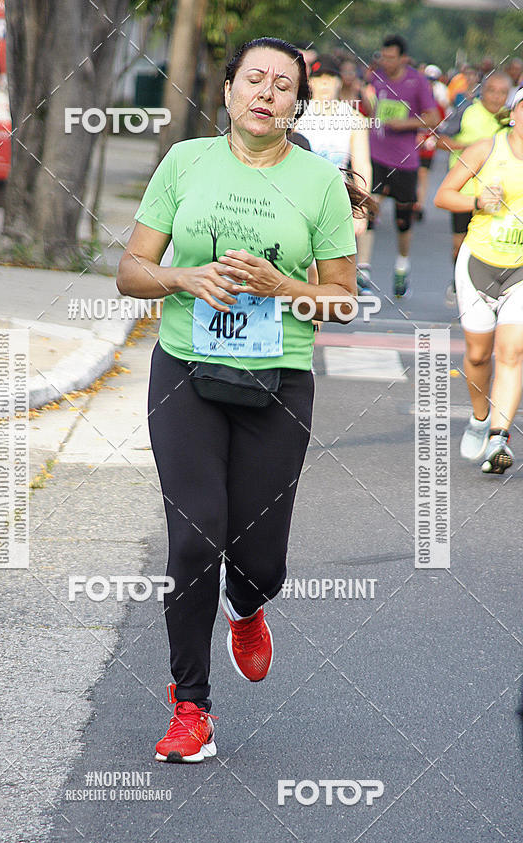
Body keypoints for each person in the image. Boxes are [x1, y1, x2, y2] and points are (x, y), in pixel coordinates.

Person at [116, 36, 359, 762]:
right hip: (186, 372)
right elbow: (131, 271)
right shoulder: (185, 162)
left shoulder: (319, 183)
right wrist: (184, 279)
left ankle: (248, 606)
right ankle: (192, 707)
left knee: (260, 562)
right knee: (194, 540)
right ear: (227, 91)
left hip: (277, 383)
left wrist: (284, 287)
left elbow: (344, 300)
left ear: (296, 106)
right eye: (254, 79)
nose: (266, 93)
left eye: (283, 86)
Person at [434, 86, 523, 474]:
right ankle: (479, 416)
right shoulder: (485, 149)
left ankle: (498, 439)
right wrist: (478, 201)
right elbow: (443, 196)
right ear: (513, 114)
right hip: (478, 264)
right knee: (477, 355)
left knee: (512, 352)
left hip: (520, 270)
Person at [364, 35, 439, 299]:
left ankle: (401, 266)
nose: (386, 62)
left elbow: (433, 118)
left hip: (404, 162)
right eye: (383, 56)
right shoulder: (376, 77)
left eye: (391, 57)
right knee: (367, 212)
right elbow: (369, 108)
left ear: (404, 58)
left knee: (402, 221)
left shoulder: (417, 82)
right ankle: (364, 271)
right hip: (375, 156)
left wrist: (405, 123)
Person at [296, 54, 373, 291]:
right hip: (300, 200)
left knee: (330, 272)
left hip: (336, 201)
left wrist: (361, 209)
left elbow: (362, 164)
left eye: (330, 78)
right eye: (319, 78)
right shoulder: (295, 115)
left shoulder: (354, 118)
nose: (324, 84)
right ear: (310, 82)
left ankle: (321, 310)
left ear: (340, 82)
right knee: (305, 267)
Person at [436, 71, 511, 304]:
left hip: (498, 196)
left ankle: (492, 290)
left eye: (502, 93)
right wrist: (467, 147)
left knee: (492, 242)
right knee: (460, 245)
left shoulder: (511, 118)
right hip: (464, 192)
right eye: (492, 91)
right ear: (482, 91)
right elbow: (440, 140)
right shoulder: (467, 111)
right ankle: (459, 281)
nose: (496, 97)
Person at [414, 65, 447, 222]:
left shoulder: (437, 106)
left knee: (422, 174)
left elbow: (441, 126)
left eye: (432, 82)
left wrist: (432, 138)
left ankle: (419, 206)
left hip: (427, 147)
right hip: (411, 146)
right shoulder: (414, 101)